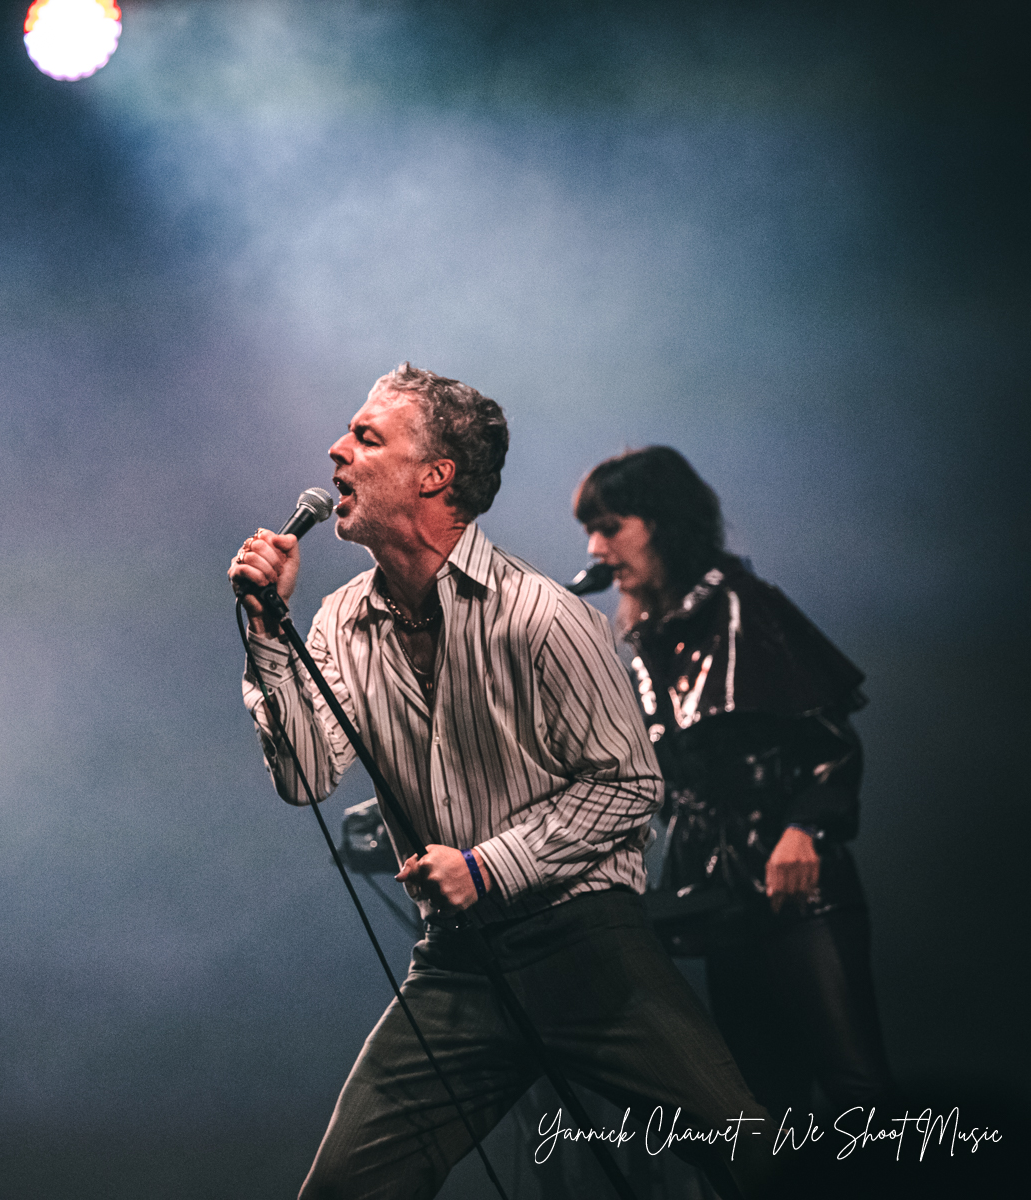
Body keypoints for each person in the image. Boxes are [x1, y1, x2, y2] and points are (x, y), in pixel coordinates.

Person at [231, 365, 770, 1199]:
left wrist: (488, 867)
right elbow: (305, 778)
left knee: (754, 1161)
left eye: (366, 437)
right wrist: (270, 632)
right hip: (460, 970)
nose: (336, 450)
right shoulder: (341, 621)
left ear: (435, 474)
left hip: (590, 950)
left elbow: (630, 786)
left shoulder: (547, 617)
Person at [574, 446, 894, 1121]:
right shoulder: (643, 642)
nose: (597, 548)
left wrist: (805, 829)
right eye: (590, 531)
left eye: (611, 526)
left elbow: (833, 744)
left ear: (661, 522)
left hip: (796, 892)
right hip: (713, 898)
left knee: (856, 1096)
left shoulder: (748, 607)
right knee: (761, 1107)